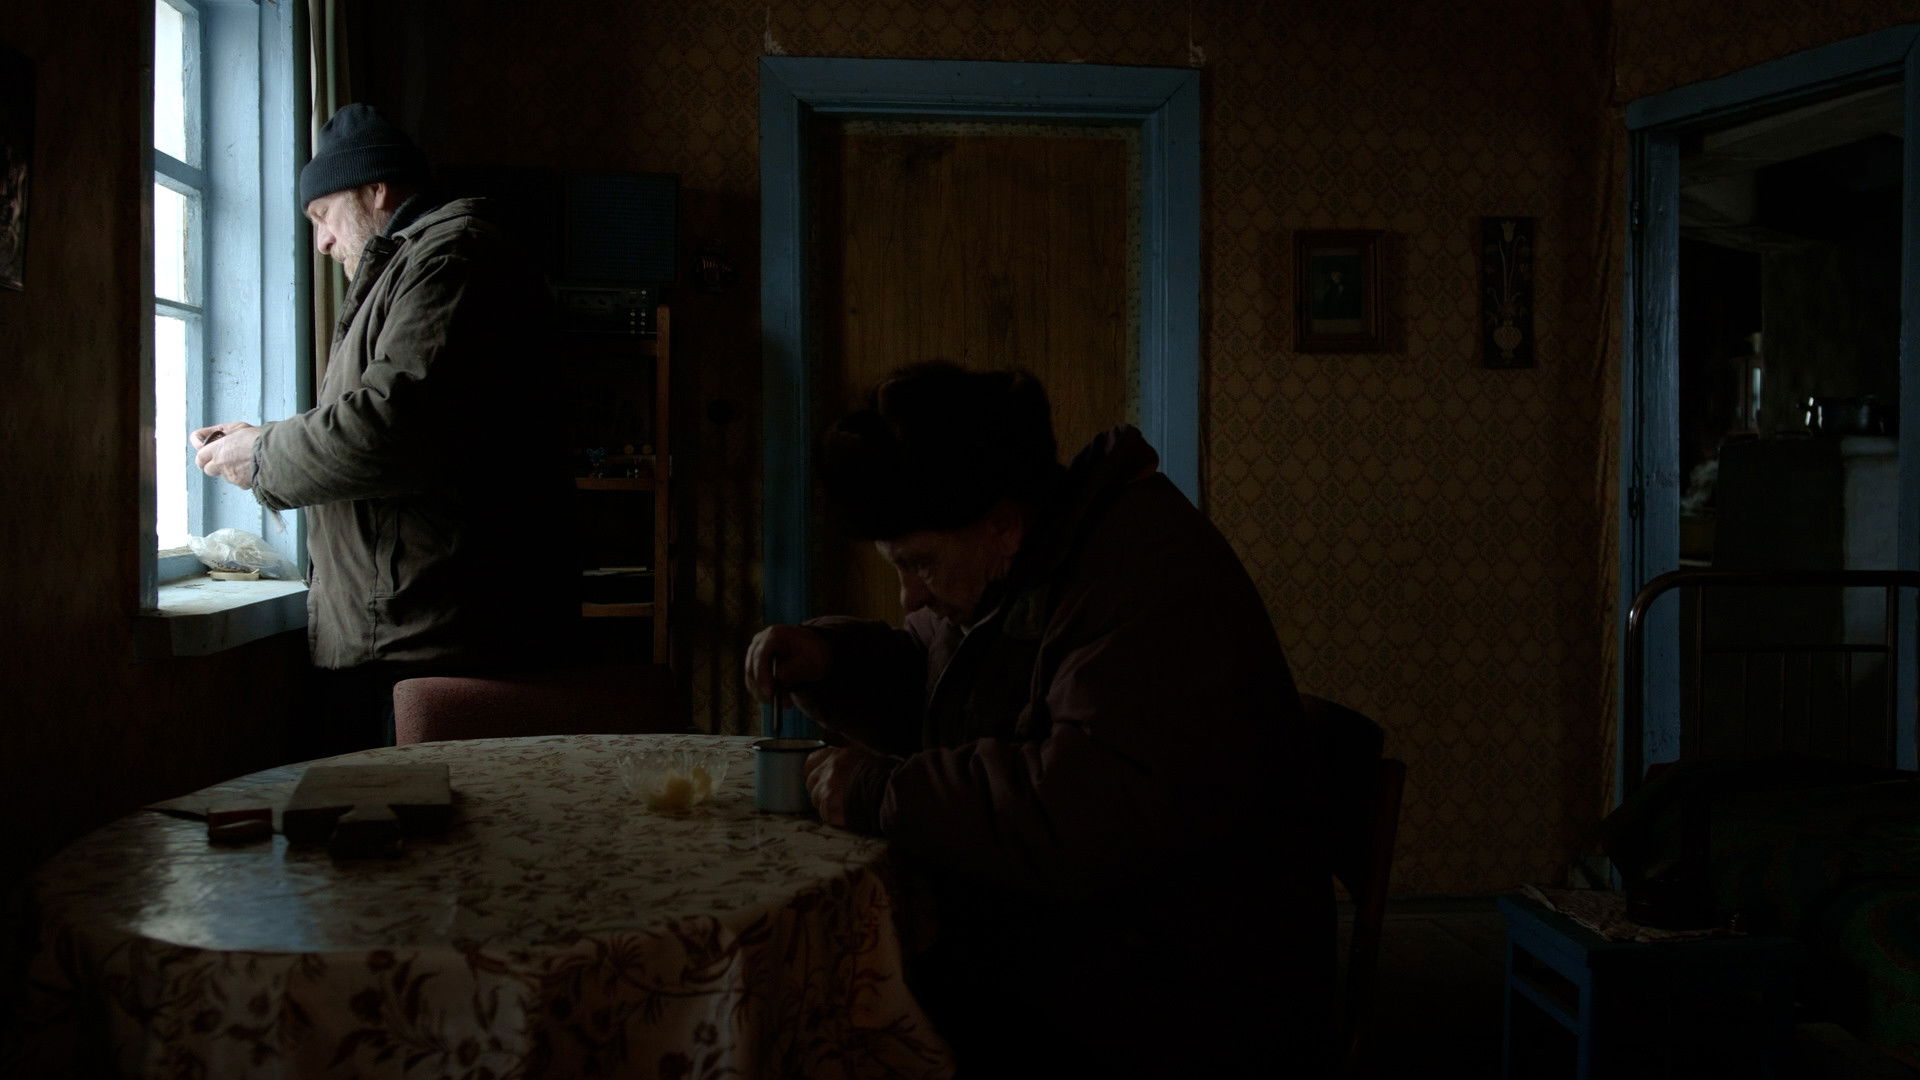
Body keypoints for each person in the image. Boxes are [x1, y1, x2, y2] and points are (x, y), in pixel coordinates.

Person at [743, 363, 1333, 1075]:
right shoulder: (1030, 555)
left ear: (1001, 526)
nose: (909, 598)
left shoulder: (1143, 574)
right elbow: (940, 685)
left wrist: (879, 792)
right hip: (1086, 940)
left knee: (833, 1017)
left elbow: (1078, 807)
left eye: (920, 564)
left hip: (1180, 992)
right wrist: (832, 661)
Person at [192, 104, 573, 757]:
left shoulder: (451, 258)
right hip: (413, 633)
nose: (321, 243)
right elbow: (397, 413)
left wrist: (262, 455)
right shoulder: (420, 261)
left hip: (431, 643)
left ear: (376, 189)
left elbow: (394, 428)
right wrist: (264, 440)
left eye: (323, 215)